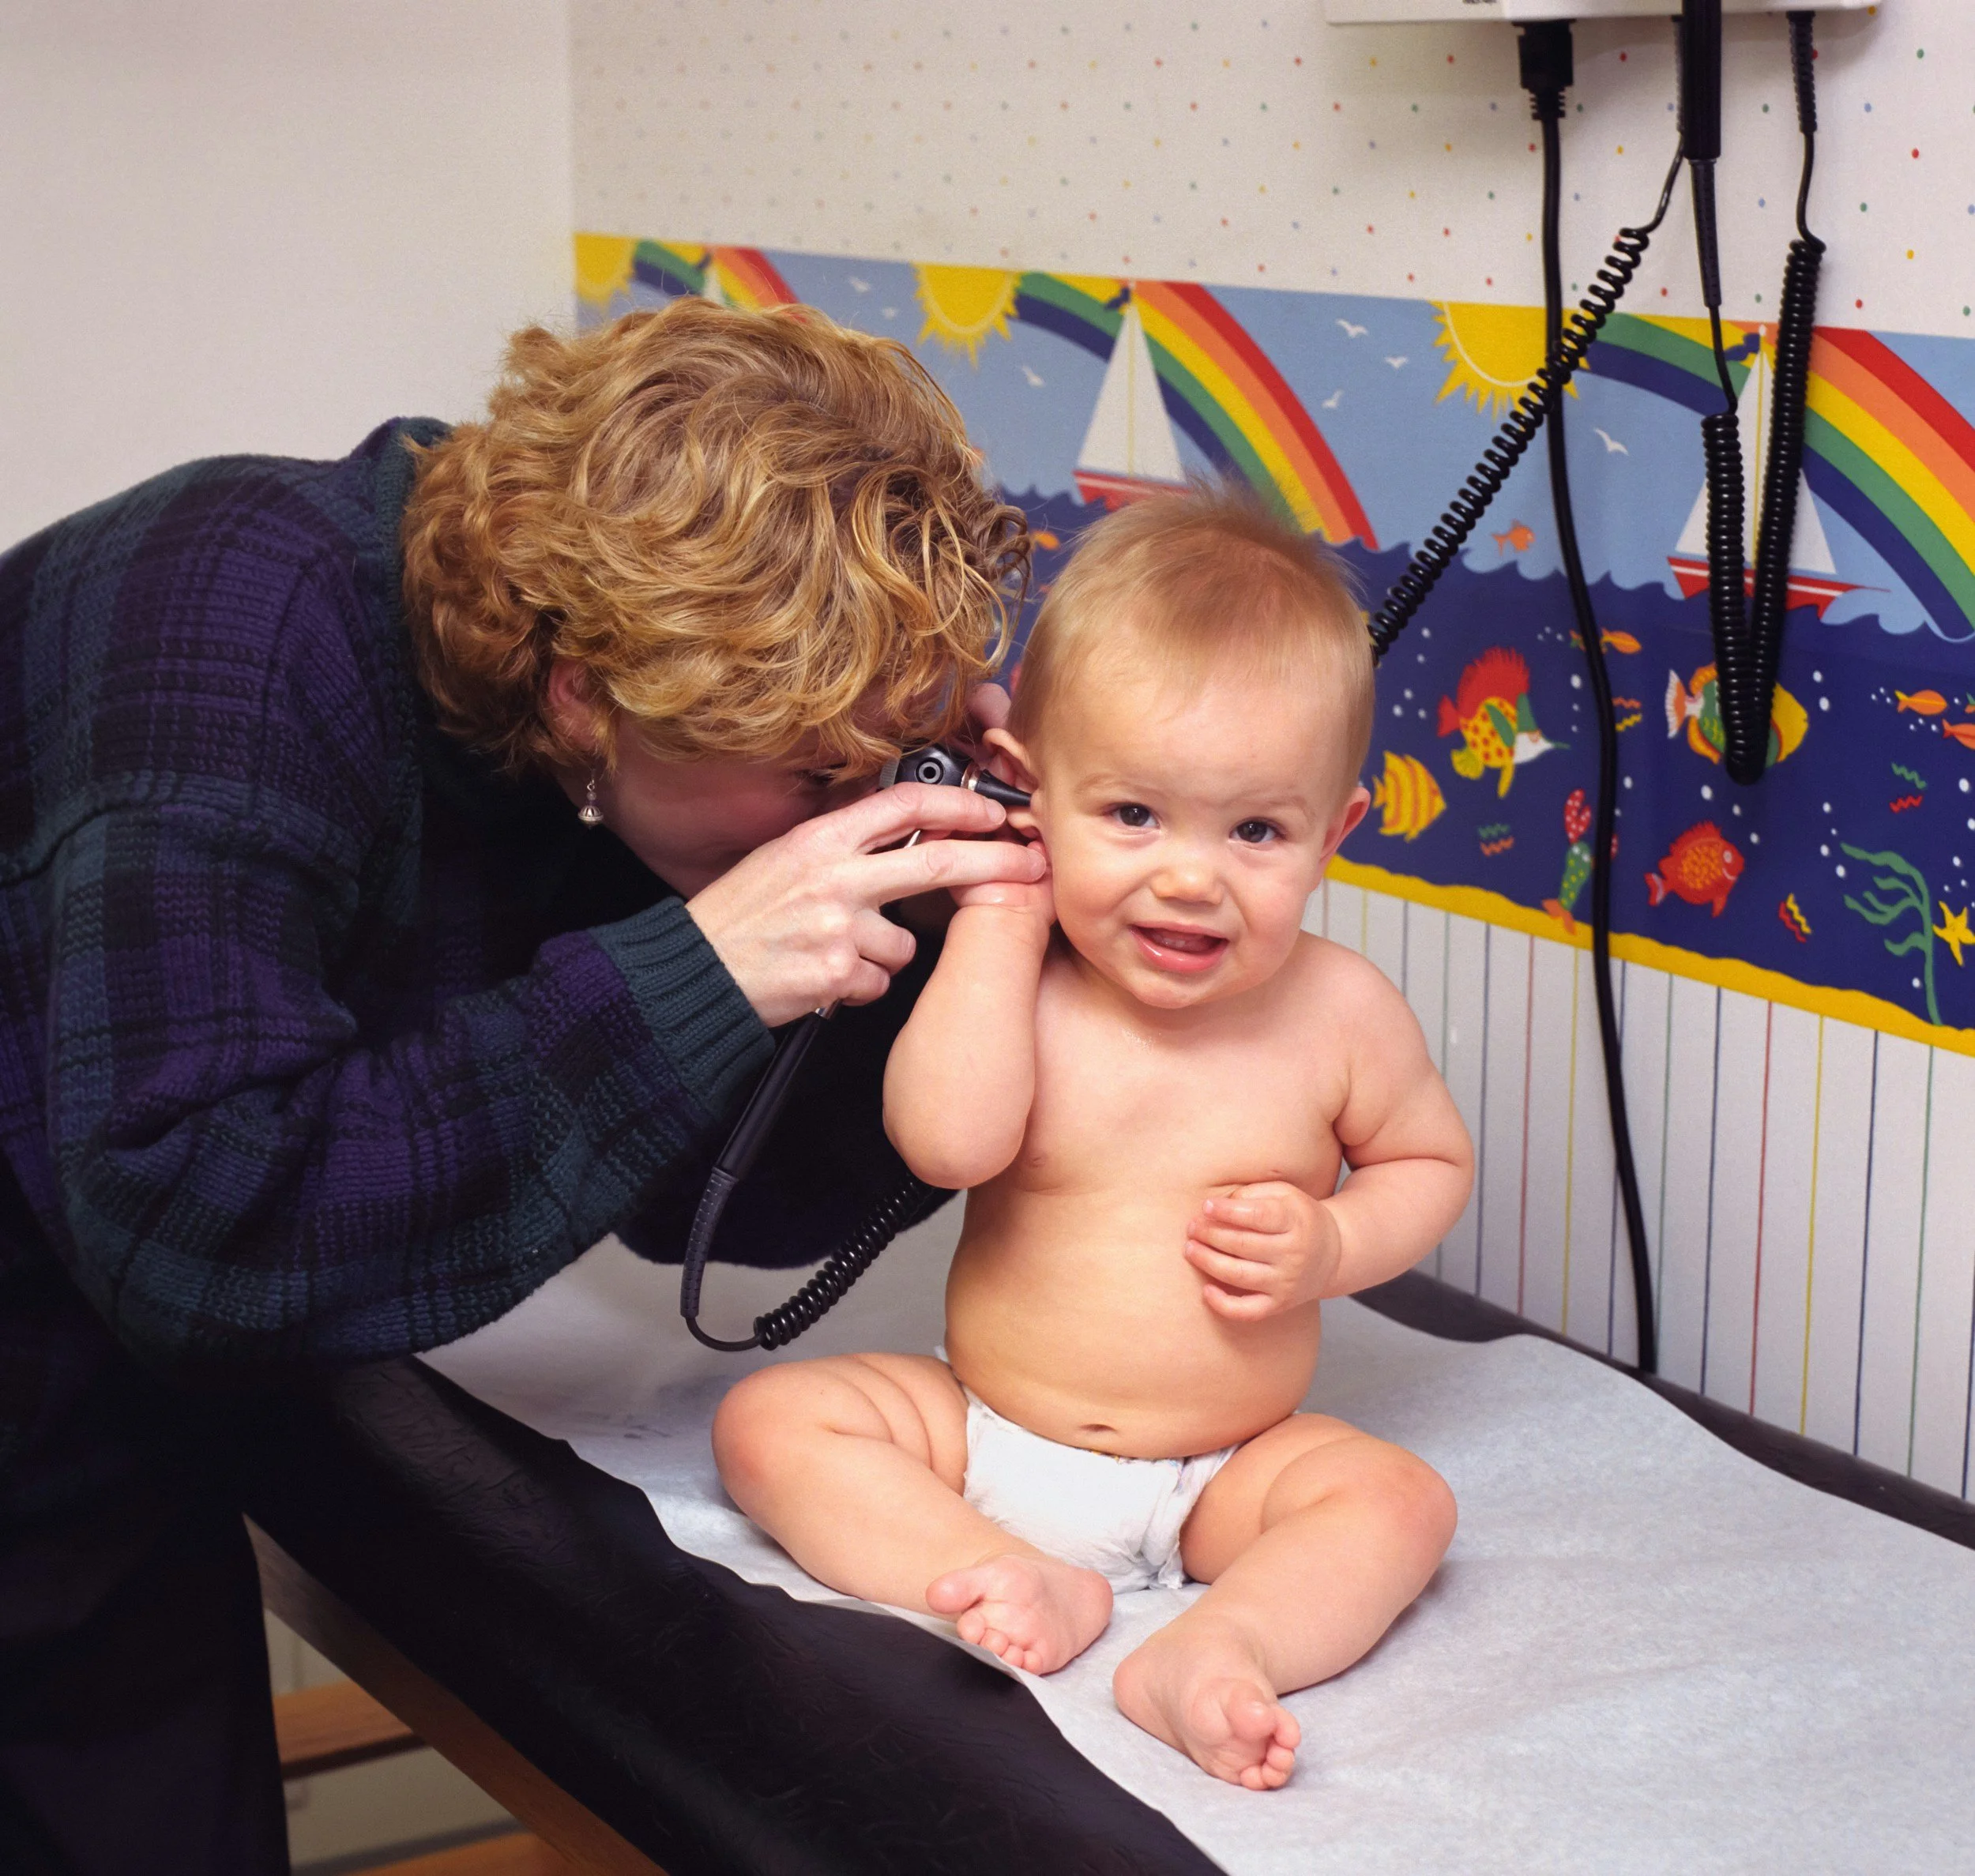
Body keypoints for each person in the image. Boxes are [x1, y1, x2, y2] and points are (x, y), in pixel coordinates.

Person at [0, 297, 1046, 1874]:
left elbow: (737, 1204)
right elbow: (188, 1222)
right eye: (816, 771)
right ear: (578, 693)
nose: (859, 806)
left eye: (884, 756)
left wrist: (941, 927)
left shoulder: (629, 723)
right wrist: (697, 971)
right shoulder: (230, 624)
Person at [712, 489, 1474, 1791]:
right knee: (772, 1419)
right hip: (987, 1429)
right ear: (1031, 793)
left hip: (1227, 1468)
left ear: (1333, 833)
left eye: (1255, 830)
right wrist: (1004, 918)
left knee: (1402, 1503)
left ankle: (1216, 1646)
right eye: (1131, 815)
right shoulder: (1023, 977)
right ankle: (998, 1565)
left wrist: (1338, 1239)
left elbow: (1429, 1162)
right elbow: (946, 1144)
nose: (1192, 876)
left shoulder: (1341, 1013)